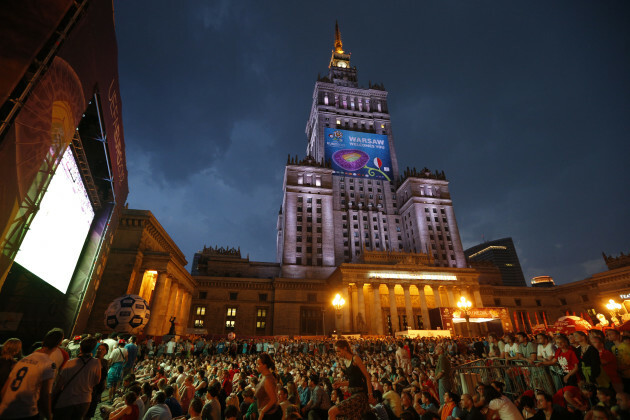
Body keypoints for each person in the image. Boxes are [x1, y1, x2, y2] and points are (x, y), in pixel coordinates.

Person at [0, 328, 62, 419]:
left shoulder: (23, 360)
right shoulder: (48, 364)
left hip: (6, 409)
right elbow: (45, 394)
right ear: (59, 343)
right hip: (25, 411)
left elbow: (5, 389)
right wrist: (49, 416)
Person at [52, 336, 102, 418]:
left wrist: (52, 397)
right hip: (84, 400)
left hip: (67, 400)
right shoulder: (96, 363)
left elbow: (59, 384)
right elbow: (97, 381)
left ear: (80, 348)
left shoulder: (69, 363)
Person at [328, 339, 374, 420]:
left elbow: (367, 376)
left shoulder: (355, 359)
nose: (337, 354)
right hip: (353, 394)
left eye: (338, 351)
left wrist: (370, 395)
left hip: (360, 395)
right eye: (336, 352)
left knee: (332, 411)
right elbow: (353, 381)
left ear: (345, 348)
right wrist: (341, 384)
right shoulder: (345, 362)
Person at [256, 353, 282, 420]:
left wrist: (262, 411)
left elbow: (274, 399)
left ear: (264, 365)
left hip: (269, 415)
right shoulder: (264, 377)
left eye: (258, 364)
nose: (256, 366)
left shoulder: (268, 379)